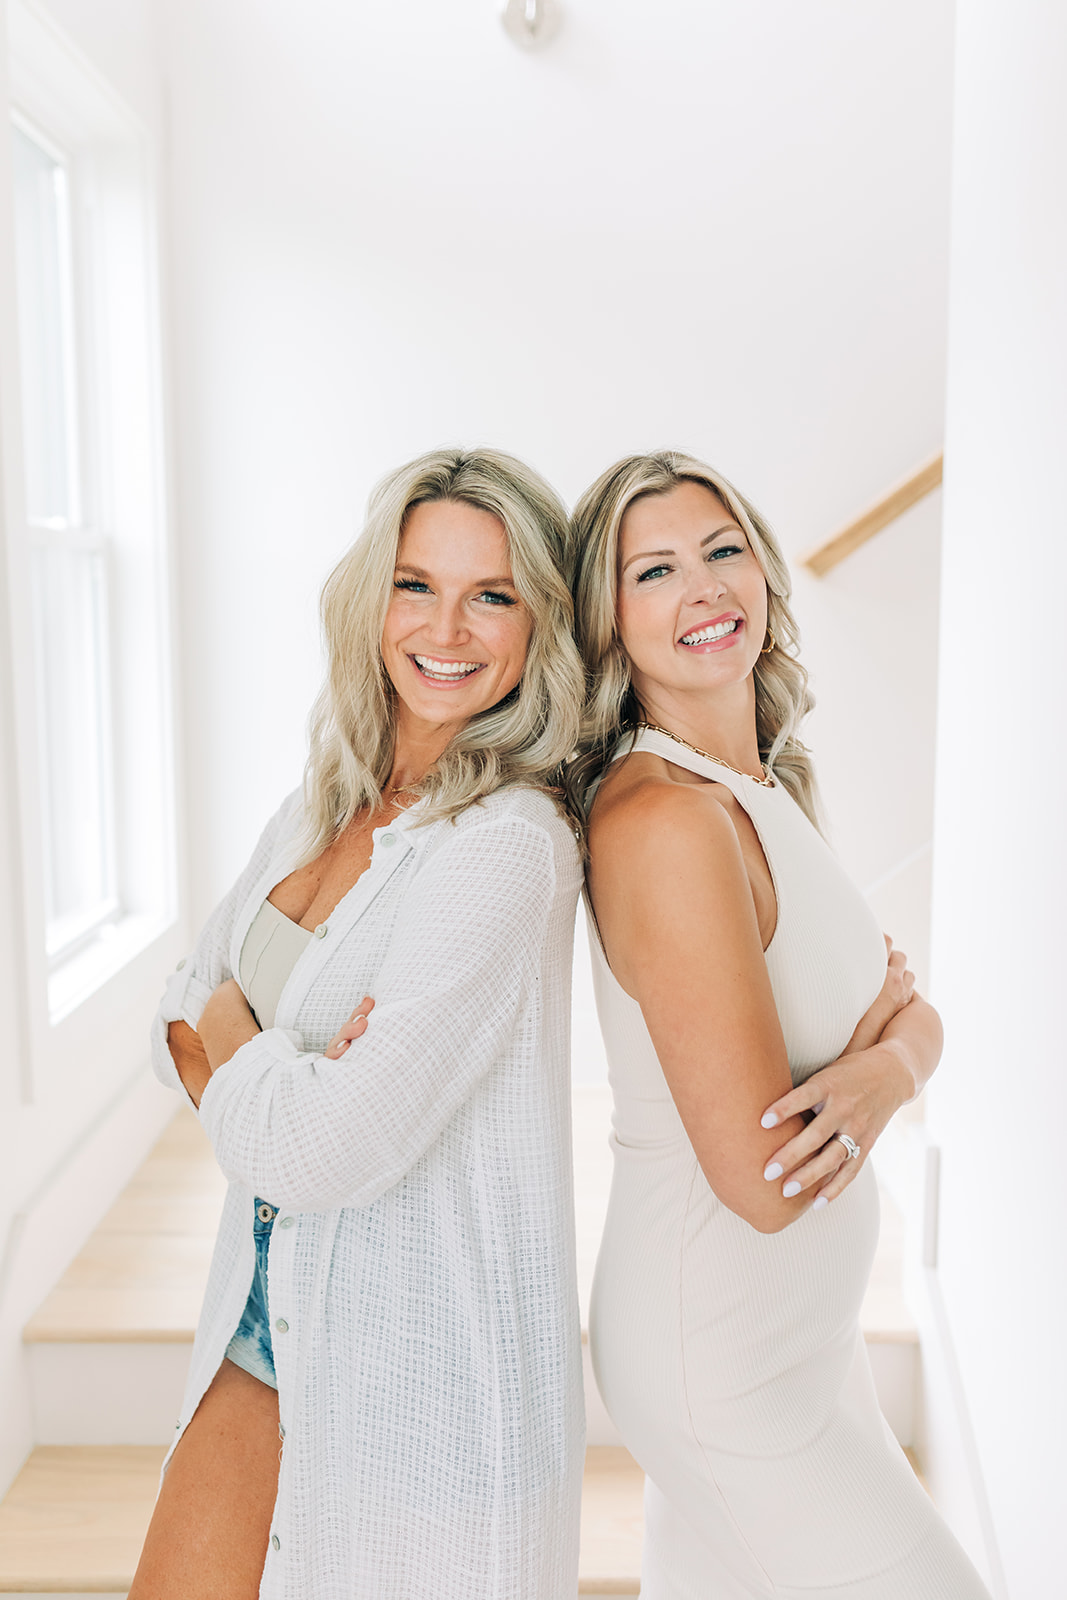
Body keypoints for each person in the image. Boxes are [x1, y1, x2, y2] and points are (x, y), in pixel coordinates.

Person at [131, 448, 586, 1600]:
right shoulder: (320, 796)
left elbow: (320, 1146)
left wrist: (249, 1048)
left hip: (420, 1364)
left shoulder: (505, 845)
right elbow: (176, 1020)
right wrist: (289, 1075)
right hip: (262, 1308)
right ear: (368, 596)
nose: (449, 626)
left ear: (539, 622)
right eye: (414, 583)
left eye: (493, 594)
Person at [569, 451, 991, 1599]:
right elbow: (765, 1175)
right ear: (605, 624)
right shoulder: (663, 822)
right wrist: (890, 1056)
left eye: (721, 550)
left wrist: (883, 1065)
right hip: (724, 1360)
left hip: (797, 1344)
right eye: (651, 570)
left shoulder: (759, 790)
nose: (703, 588)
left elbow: (912, 1020)